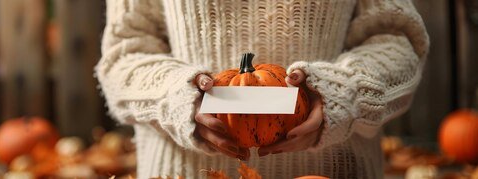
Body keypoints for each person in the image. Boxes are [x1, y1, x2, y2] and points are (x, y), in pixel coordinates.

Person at [95, 0, 429, 178]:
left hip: (333, 172)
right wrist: (172, 96)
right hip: (183, 173)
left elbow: (397, 42)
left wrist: (347, 93)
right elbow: (124, 55)